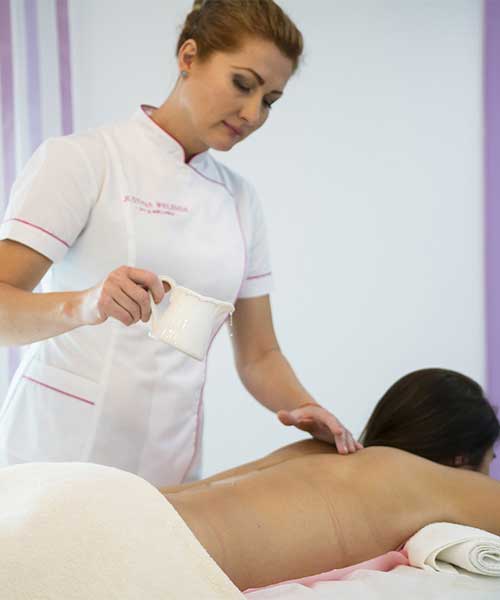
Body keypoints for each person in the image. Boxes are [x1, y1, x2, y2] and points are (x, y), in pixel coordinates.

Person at [0, 0, 361, 487]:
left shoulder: (239, 201)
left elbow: (259, 355)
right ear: (189, 57)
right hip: (54, 456)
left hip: (170, 470)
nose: (253, 113)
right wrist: (86, 304)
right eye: (243, 84)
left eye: (270, 100)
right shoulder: (84, 160)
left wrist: (307, 408)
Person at [159, 368, 499, 590]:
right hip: (166, 559)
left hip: (142, 505)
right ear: (461, 460)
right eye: (490, 460)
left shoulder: (313, 452)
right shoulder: (435, 484)